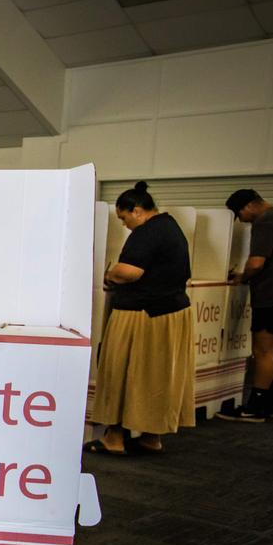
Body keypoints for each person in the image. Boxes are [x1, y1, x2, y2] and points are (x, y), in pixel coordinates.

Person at [87, 182, 194, 455]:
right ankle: (151, 436)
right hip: (170, 311)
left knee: (122, 372)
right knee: (156, 378)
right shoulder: (170, 227)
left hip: (142, 313)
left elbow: (129, 272)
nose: (124, 225)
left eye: (123, 218)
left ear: (136, 211)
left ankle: (114, 438)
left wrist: (109, 275)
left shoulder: (147, 232)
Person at [217, 189, 273, 422]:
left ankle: (255, 407)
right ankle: (271, 404)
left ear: (249, 206)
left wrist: (242, 277)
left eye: (239, 213)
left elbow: (256, 262)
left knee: (262, 352)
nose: (241, 219)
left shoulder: (266, 221)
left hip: (271, 295)